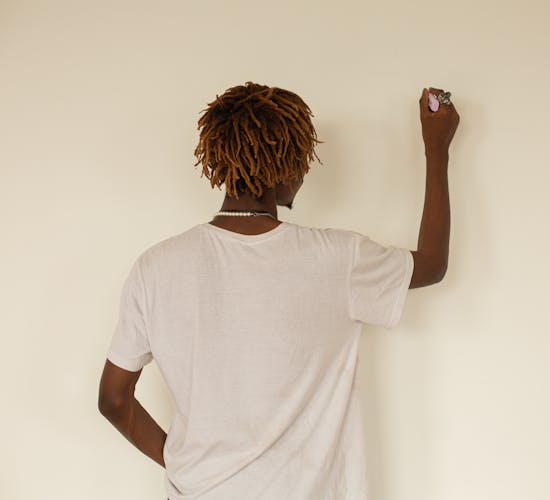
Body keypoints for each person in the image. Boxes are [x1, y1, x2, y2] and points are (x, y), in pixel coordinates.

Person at [97, 82, 460, 499]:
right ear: (288, 168)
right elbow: (432, 263)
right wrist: (437, 149)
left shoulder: (155, 268)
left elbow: (114, 400)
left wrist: (187, 463)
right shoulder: (338, 259)